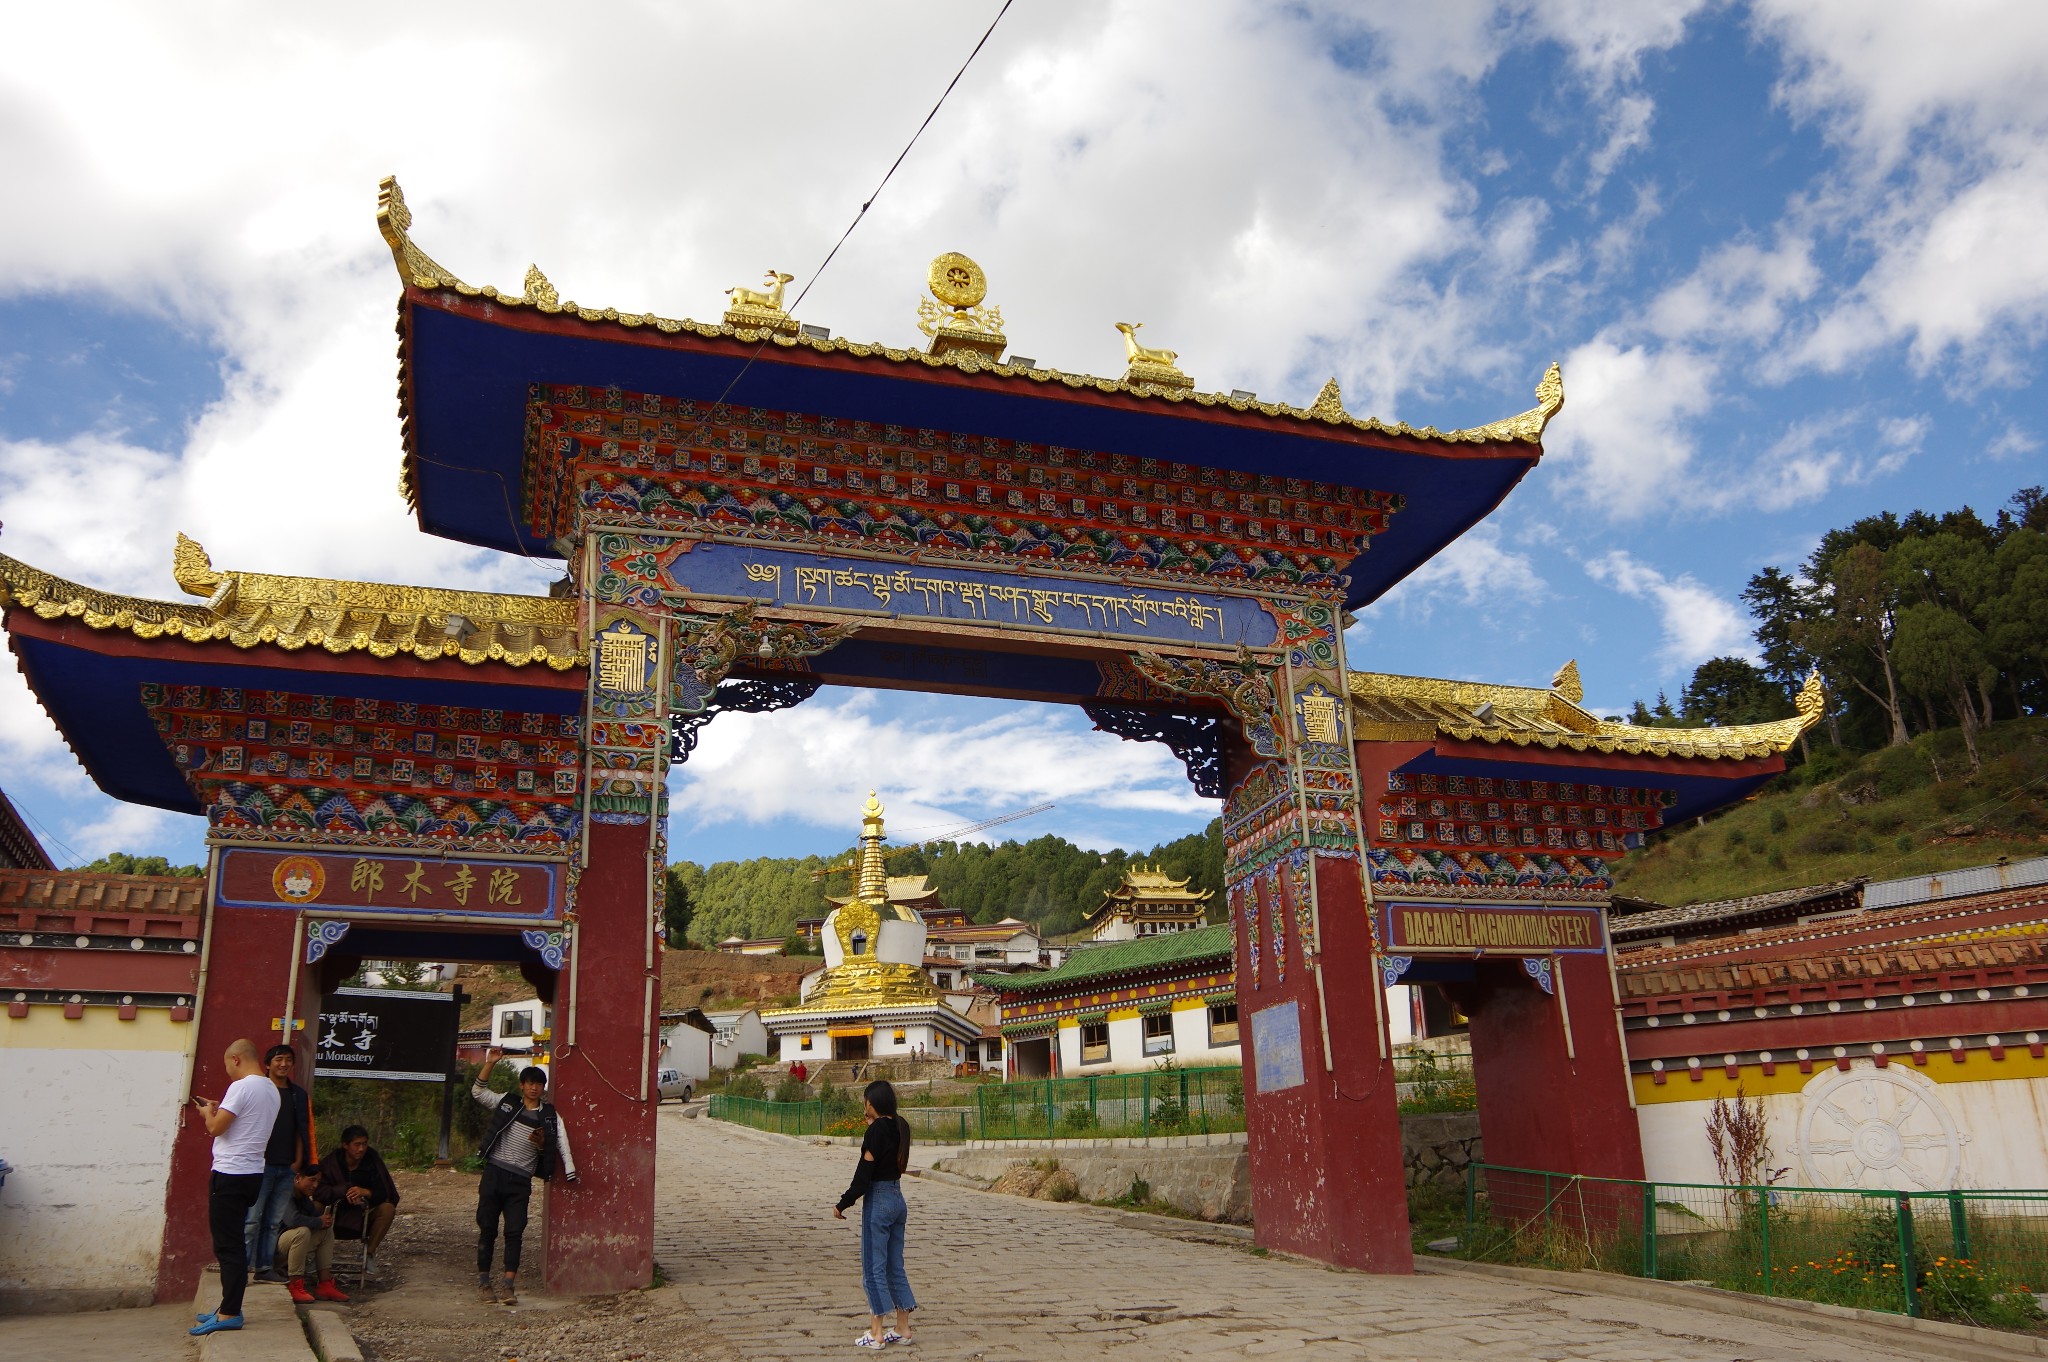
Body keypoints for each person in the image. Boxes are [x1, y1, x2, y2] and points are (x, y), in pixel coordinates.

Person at [189, 1038, 281, 1337]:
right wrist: (217, 1111)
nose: (228, 1071)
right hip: (252, 1173)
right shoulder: (271, 1089)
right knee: (231, 1243)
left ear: (236, 1059)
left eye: (227, 1064)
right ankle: (226, 1307)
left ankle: (230, 1312)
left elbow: (216, 1129)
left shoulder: (242, 1087)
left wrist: (207, 1113)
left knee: (228, 1246)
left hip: (230, 1174)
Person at [473, 1048, 578, 1305]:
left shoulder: (549, 1117)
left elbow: (560, 1143)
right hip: (494, 1174)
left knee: (515, 1231)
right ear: (522, 1086)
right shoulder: (507, 1103)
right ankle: (484, 1284)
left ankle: (509, 1286)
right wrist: (490, 1063)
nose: (534, 1088)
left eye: (539, 1084)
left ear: (543, 1088)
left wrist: (549, 1150)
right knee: (487, 1229)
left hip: (520, 1181)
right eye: (530, 1083)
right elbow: (478, 1092)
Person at [832, 1079, 917, 1349]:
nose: (864, 1106)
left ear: (873, 1102)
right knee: (895, 1265)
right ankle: (902, 1328)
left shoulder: (876, 1131)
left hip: (878, 1200)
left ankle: (876, 1332)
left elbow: (863, 1177)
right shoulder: (901, 1125)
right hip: (897, 1198)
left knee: (873, 1267)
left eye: (866, 1101)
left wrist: (843, 1203)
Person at [247, 1043, 317, 1284]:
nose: (283, 1064)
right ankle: (243, 1269)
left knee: (273, 1221)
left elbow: (301, 1129)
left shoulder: (297, 1094)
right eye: (278, 1059)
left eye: (288, 1059)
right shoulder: (260, 1090)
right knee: (252, 1219)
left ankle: (265, 1267)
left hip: (286, 1167)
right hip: (260, 1166)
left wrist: (298, 1161)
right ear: (268, 1064)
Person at [315, 1126, 400, 1273]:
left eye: (364, 1144)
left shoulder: (372, 1161)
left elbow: (386, 1193)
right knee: (315, 1206)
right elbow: (319, 1191)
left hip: (363, 1218)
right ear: (345, 1145)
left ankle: (369, 1254)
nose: (361, 1149)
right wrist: (344, 1191)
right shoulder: (331, 1163)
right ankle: (313, 1254)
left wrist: (365, 1192)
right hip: (333, 1220)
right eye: (357, 1144)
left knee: (388, 1209)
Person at [276, 1172, 350, 1305]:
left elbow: (315, 1217)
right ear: (298, 1178)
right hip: (276, 1248)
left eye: (317, 1181)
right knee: (302, 1232)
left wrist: (324, 1221)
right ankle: (295, 1285)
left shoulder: (303, 1197)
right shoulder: (285, 1193)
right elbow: (292, 1220)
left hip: (293, 1245)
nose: (315, 1185)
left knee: (326, 1232)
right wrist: (318, 1221)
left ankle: (325, 1284)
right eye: (311, 1180)